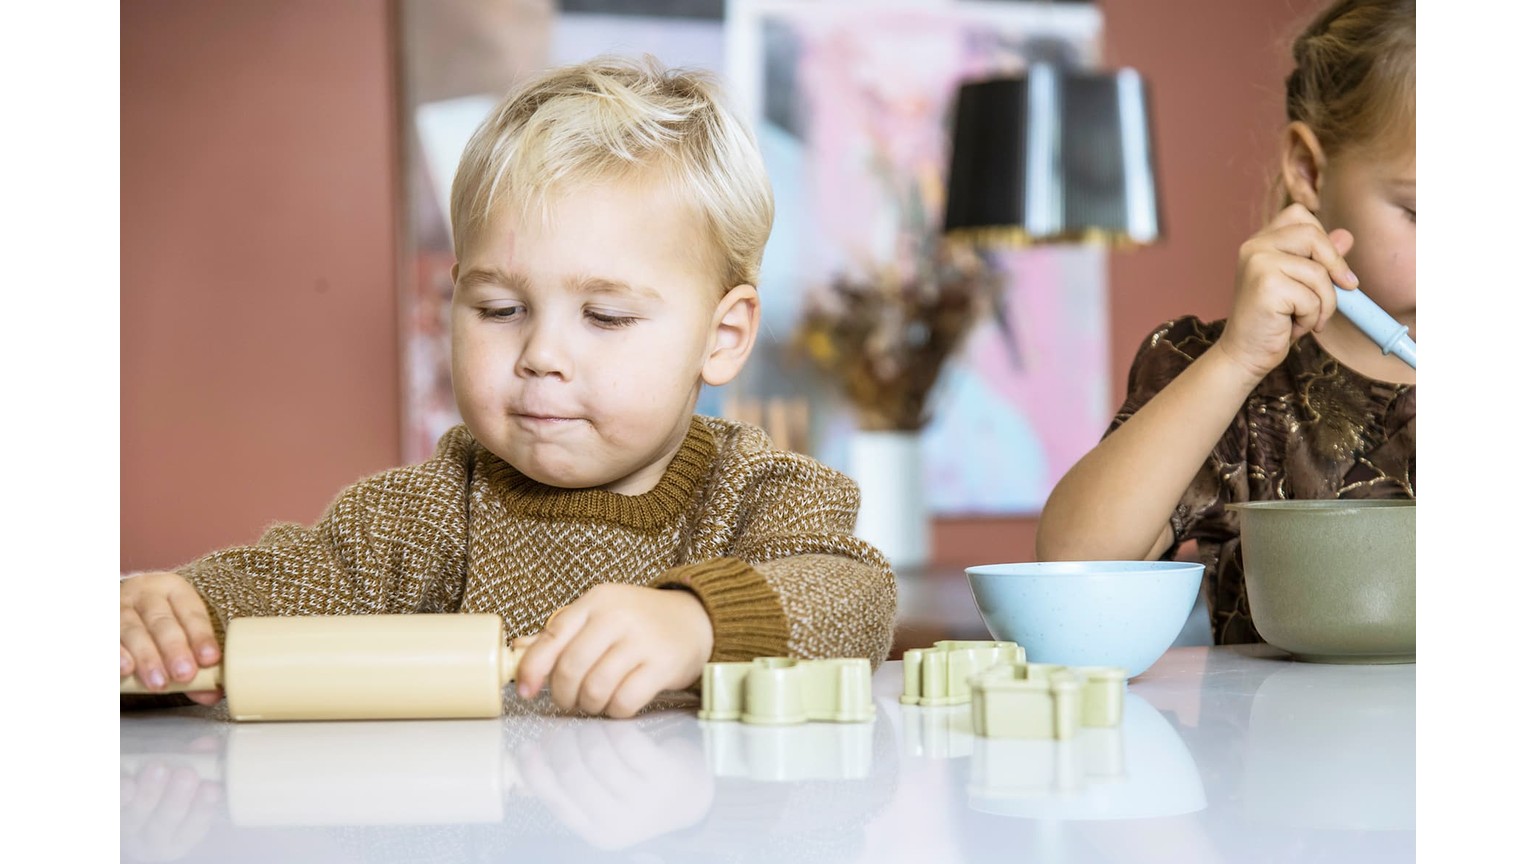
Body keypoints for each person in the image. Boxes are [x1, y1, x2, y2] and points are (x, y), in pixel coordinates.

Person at [120, 55, 897, 717]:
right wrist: (175, 615)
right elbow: (283, 587)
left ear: (721, 337)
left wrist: (696, 623)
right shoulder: (425, 515)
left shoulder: (761, 495)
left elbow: (854, 598)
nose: (541, 355)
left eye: (605, 316)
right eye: (500, 309)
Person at [1035, 0, 1414, 644]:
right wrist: (1234, 363)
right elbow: (1070, 565)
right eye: (1424, 213)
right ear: (1309, 169)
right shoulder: (1232, 384)